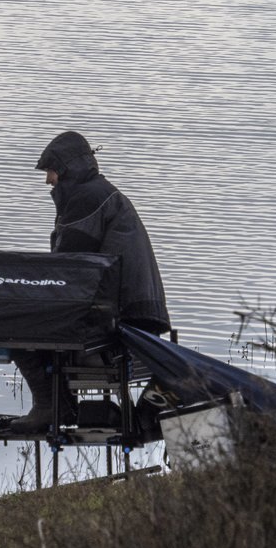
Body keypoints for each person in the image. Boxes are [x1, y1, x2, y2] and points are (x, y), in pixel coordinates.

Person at [10, 131, 171, 433]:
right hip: (139, 316)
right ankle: (60, 403)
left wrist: (25, 297)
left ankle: (52, 406)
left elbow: (68, 267)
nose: (48, 181)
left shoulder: (88, 198)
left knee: (14, 328)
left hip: (119, 321)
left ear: (67, 169)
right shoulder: (102, 193)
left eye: (51, 171)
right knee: (33, 320)